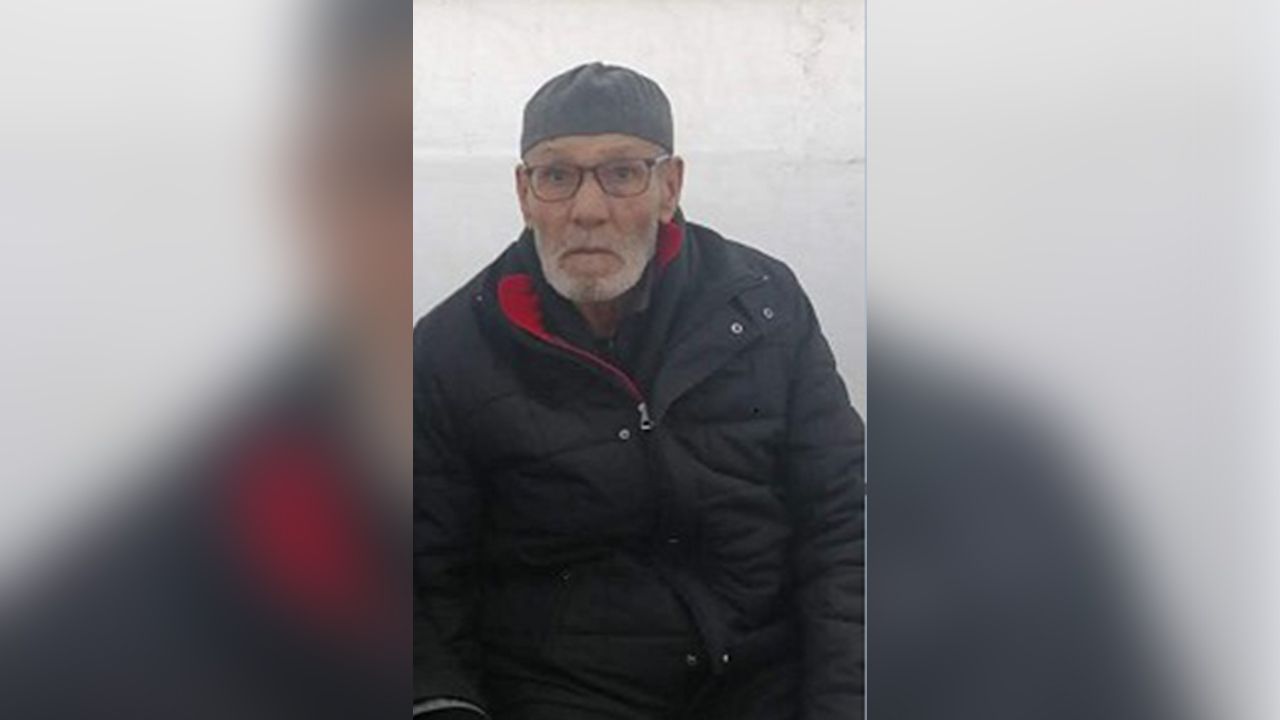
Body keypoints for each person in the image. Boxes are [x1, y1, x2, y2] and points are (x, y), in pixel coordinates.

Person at [414, 62, 865, 720]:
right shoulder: (450, 351)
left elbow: (843, 516)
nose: (588, 210)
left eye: (622, 172)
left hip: (767, 677)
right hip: (564, 691)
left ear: (669, 186)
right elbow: (423, 579)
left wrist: (847, 700)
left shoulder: (763, 304)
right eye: (556, 176)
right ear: (524, 193)